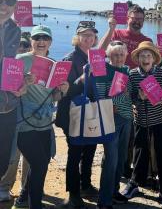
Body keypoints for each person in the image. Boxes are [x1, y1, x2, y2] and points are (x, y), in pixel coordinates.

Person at [13, 25, 69, 209]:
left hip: (45, 123)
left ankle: (23, 199)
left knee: (41, 163)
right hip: (24, 123)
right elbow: (8, 91)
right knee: (39, 166)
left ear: (50, 42)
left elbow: (53, 97)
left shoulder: (54, 64)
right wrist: (22, 83)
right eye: (37, 38)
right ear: (31, 41)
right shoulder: (20, 60)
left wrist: (62, 91)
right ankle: (35, 205)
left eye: (45, 38)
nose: (41, 41)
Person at [99, 5, 152, 179]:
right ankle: (110, 170)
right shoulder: (117, 34)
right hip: (113, 90)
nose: (137, 21)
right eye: (134, 18)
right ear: (127, 18)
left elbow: (151, 63)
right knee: (112, 137)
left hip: (135, 90)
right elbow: (99, 52)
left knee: (130, 135)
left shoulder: (147, 39)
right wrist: (111, 28)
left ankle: (124, 168)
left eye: (140, 19)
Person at [121, 41, 162, 205]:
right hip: (141, 121)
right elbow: (128, 96)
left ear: (154, 58)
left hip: (161, 120)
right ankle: (135, 184)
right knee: (139, 153)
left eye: (149, 55)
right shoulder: (132, 74)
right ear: (138, 58)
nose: (146, 58)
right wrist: (139, 97)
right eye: (142, 55)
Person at [55, 21, 99, 208]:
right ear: (77, 37)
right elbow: (62, 91)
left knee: (90, 149)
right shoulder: (68, 59)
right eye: (84, 35)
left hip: (90, 112)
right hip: (71, 114)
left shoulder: (95, 57)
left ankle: (85, 185)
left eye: (92, 35)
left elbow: (98, 84)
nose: (88, 38)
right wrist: (82, 79)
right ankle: (73, 195)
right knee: (75, 154)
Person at [86, 41, 132, 209]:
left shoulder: (127, 70)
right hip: (109, 120)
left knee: (121, 159)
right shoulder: (102, 71)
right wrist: (121, 97)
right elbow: (103, 99)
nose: (118, 57)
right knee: (111, 160)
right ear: (109, 56)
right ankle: (104, 200)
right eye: (115, 55)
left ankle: (114, 191)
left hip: (127, 119)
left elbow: (130, 94)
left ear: (126, 54)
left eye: (121, 54)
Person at [0, 32, 31, 203]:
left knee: (28, 154)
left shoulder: (34, 63)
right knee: (12, 153)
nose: (22, 48)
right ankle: (4, 186)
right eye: (19, 45)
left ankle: (24, 187)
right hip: (12, 114)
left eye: (25, 46)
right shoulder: (6, 63)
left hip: (32, 116)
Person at [0, 0, 25, 181]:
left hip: (7, 105)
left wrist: (20, 84)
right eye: (0, 0)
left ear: (15, 6)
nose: (4, 5)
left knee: (1, 162)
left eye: (9, 1)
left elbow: (10, 66)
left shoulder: (15, 30)